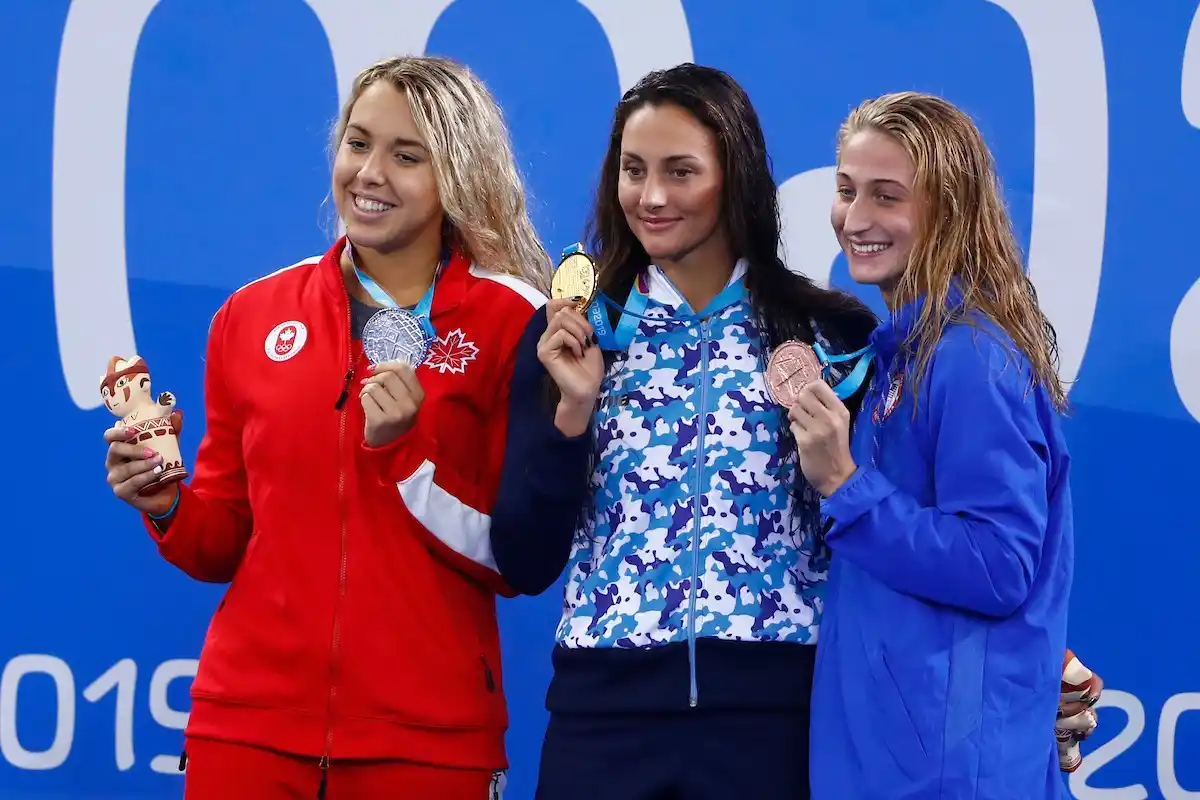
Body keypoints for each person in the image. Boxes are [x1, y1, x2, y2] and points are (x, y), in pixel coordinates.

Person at [102, 55, 549, 799]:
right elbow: (223, 541)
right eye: (357, 143)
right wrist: (167, 505)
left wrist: (409, 451)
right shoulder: (251, 315)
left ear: (458, 174)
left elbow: (515, 559)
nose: (370, 173)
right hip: (247, 729)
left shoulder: (512, 322)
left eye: (407, 156)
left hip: (426, 741)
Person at [490, 63, 878, 799]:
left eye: (681, 171)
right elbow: (523, 559)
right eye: (633, 171)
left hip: (773, 722)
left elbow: (872, 539)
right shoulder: (573, 332)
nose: (652, 196)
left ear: (735, 177)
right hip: (602, 722)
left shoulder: (828, 333)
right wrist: (569, 417)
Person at [802, 90, 1075, 798]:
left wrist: (845, 486)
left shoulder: (969, 358)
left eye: (886, 196)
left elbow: (998, 565)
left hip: (948, 779)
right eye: (846, 190)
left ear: (947, 210)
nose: (855, 219)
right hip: (895, 767)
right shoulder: (903, 353)